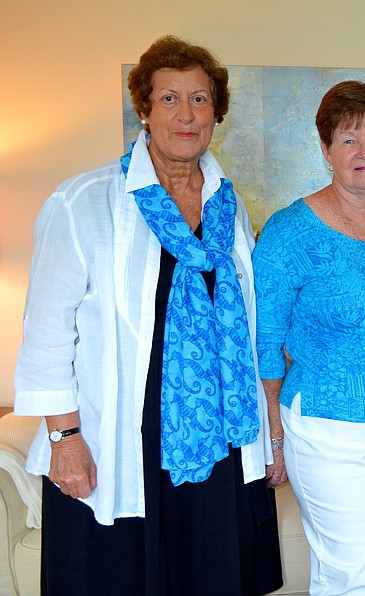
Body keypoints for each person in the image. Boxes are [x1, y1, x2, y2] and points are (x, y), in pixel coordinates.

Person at [14, 36, 283, 595]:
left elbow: (247, 327)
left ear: (217, 113)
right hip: (121, 437)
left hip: (218, 441)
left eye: (200, 100)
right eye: (169, 99)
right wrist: (64, 437)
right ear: (143, 108)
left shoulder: (228, 207)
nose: (186, 115)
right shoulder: (83, 201)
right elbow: (45, 334)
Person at [252, 79, 365, 595]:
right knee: (351, 576)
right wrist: (274, 436)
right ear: (326, 149)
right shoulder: (291, 230)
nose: (364, 152)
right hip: (334, 433)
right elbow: (264, 342)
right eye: (349, 139)